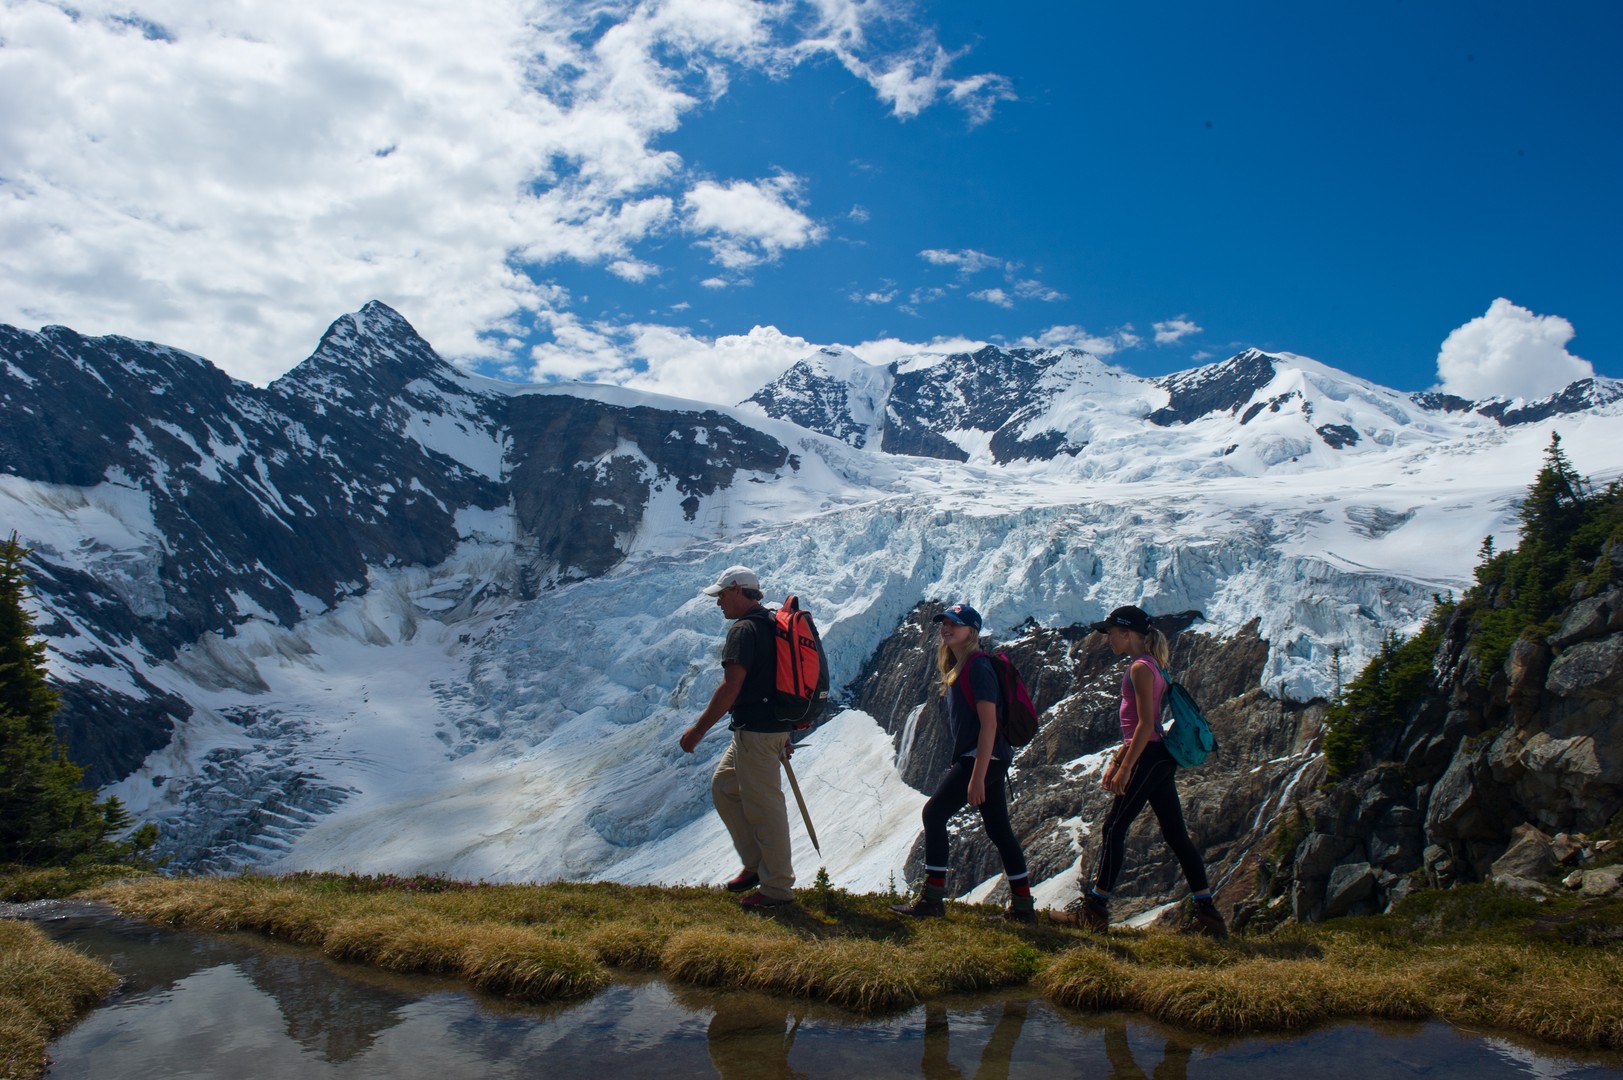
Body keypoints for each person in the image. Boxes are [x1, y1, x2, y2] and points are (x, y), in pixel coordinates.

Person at [1055, 605, 1225, 937]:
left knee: (1114, 827)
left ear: (1127, 634)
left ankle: (1095, 910)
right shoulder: (1153, 665)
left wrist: (1126, 768)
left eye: (1111, 634)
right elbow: (1142, 728)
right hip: (1156, 755)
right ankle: (1209, 916)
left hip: (1149, 756)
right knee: (1176, 835)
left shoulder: (1140, 669)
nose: (1108, 640)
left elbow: (1146, 724)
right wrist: (1120, 759)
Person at [891, 603, 1035, 923]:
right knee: (999, 830)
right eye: (944, 623)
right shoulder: (963, 666)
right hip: (990, 759)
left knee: (934, 813)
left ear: (971, 631)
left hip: (982, 758)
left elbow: (989, 724)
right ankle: (1024, 908)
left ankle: (932, 900)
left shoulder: (978, 667)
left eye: (954, 624)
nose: (946, 628)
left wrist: (977, 776)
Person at [679, 565, 796, 910]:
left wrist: (698, 730)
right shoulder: (772, 623)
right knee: (725, 787)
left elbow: (732, 686)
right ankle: (756, 866)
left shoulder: (744, 630)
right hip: (763, 729)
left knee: (766, 808)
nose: (717, 604)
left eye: (720, 596)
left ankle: (777, 888)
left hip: (757, 733)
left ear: (736, 590)